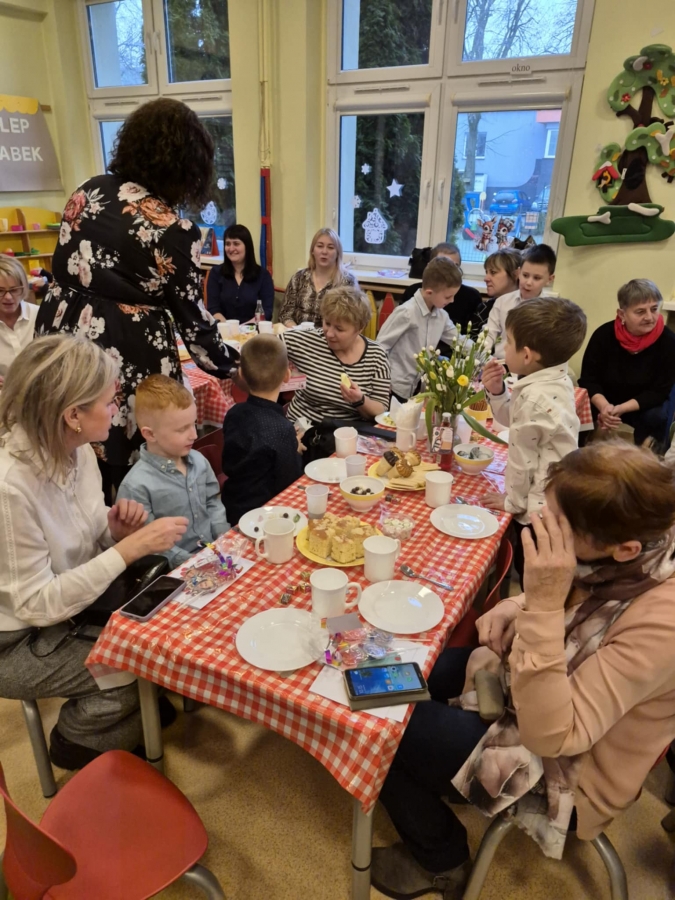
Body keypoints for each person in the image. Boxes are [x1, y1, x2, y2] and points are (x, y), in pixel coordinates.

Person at [372, 441, 675, 900]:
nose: (538, 525)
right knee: (408, 676)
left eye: (556, 527)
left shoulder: (662, 623)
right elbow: (582, 592)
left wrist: (544, 606)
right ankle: (436, 776)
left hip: (569, 772)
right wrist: (518, 605)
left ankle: (439, 861)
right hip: (533, 694)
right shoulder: (642, 551)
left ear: (624, 549)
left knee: (387, 728)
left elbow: (552, 737)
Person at [0, 336, 189, 770]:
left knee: (159, 645)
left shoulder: (79, 451)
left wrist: (112, 530)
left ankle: (129, 716)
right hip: (15, 639)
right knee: (133, 668)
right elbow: (35, 603)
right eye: (108, 402)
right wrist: (128, 550)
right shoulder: (10, 487)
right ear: (73, 416)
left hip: (71, 607)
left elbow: (80, 529)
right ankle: (75, 738)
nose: (116, 409)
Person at [35, 97, 236, 502]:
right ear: (187, 167)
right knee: (128, 475)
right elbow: (196, 330)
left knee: (64, 451)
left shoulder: (89, 189)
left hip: (59, 340)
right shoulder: (174, 230)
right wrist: (237, 365)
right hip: (121, 353)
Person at [482, 298, 587, 583]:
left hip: (538, 510)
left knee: (533, 572)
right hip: (558, 497)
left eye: (508, 341)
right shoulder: (555, 378)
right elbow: (513, 419)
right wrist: (497, 391)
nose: (504, 347)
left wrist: (511, 502)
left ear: (527, 355)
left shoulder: (533, 397)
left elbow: (522, 462)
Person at [117, 375, 228, 566]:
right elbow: (148, 542)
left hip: (214, 553)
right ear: (150, 434)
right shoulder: (136, 487)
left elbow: (212, 500)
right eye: (182, 429)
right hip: (175, 568)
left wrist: (222, 535)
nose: (194, 435)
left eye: (194, 424)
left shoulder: (199, 461)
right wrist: (192, 562)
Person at [579, 279, 675, 447]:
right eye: (640, 311)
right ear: (622, 314)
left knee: (657, 415)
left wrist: (621, 408)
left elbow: (659, 391)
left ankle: (646, 454)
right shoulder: (603, 335)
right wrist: (605, 407)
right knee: (577, 405)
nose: (649, 317)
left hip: (644, 403)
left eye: (654, 309)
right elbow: (589, 380)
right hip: (606, 399)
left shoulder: (669, 341)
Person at [221, 335, 304, 524]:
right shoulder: (283, 429)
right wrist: (295, 450)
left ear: (241, 374)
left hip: (232, 505)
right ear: (287, 376)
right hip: (267, 514)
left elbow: (229, 461)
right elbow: (289, 481)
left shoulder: (234, 412)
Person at [283, 286, 391, 426]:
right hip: (301, 430)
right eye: (327, 323)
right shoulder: (308, 340)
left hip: (348, 433)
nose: (329, 333)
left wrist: (360, 400)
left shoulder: (376, 356)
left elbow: (381, 410)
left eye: (339, 329)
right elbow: (262, 346)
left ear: (359, 328)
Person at [377, 258, 463, 402]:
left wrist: (485, 358)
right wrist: (381, 380)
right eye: (448, 296)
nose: (452, 301)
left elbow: (460, 341)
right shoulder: (406, 312)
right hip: (392, 386)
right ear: (429, 292)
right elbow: (380, 347)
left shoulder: (442, 316)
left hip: (414, 389)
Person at [485, 243, 556, 360]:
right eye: (525, 275)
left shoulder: (552, 310)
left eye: (537, 278)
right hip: (501, 363)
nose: (528, 282)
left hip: (532, 367)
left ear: (549, 279)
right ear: (518, 273)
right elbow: (488, 336)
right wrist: (484, 361)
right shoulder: (502, 302)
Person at [399, 243, 483, 338]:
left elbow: (462, 338)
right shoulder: (411, 295)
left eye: (455, 267)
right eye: (444, 267)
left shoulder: (471, 297)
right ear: (430, 267)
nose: (450, 273)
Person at [279, 228, 357, 327]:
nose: (324, 251)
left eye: (330, 247)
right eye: (320, 246)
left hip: (330, 335)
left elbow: (351, 320)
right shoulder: (298, 278)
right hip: (297, 333)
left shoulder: (347, 282)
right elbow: (285, 314)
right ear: (312, 251)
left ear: (338, 253)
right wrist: (297, 330)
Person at [205, 223, 274, 323]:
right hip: (224, 329)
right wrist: (230, 328)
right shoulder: (216, 273)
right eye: (228, 244)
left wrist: (243, 328)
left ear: (247, 246)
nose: (231, 248)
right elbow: (213, 309)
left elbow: (267, 312)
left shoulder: (263, 276)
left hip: (253, 329)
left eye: (236, 244)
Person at [0, 255, 38, 386]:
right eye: (0, 291)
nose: (8, 297)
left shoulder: (40, 315)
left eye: (14, 290)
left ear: (24, 288)